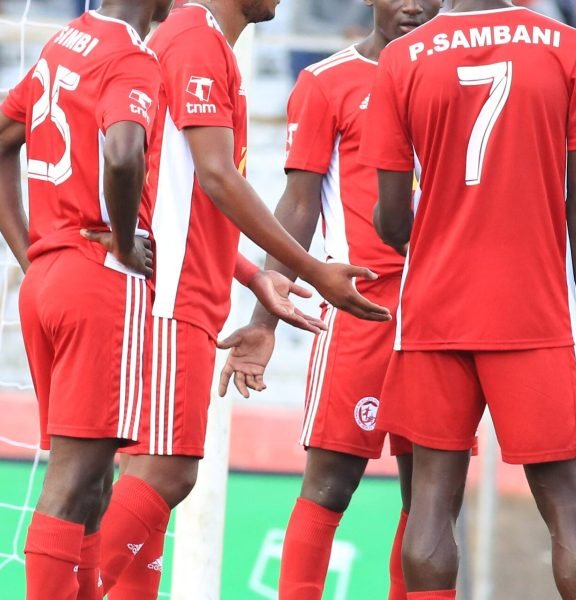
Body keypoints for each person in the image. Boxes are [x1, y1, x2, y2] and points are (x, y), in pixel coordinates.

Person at [98, 1, 394, 598]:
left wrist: (253, 276)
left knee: (148, 472)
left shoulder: (203, 42)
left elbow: (186, 190)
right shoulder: (196, 40)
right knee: (166, 471)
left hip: (185, 286)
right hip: (170, 293)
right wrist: (311, 269)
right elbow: (215, 178)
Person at [359, 1, 576, 598]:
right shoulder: (566, 46)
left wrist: (433, 228)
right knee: (566, 502)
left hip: (434, 310)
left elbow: (391, 218)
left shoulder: (402, 56)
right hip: (534, 313)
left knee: (431, 501)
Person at [216, 1, 441, 598]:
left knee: (431, 499)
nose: (413, 4)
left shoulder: (460, 77)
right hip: (360, 306)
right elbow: (298, 203)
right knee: (331, 484)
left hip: (441, 310)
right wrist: (265, 320)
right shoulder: (327, 81)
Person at [0, 1, 171, 598]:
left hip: (49, 278)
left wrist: (33, 253)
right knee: (73, 482)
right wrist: (125, 241)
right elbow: (122, 153)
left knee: (94, 485)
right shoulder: (132, 59)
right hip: (98, 282)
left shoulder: (67, 40)